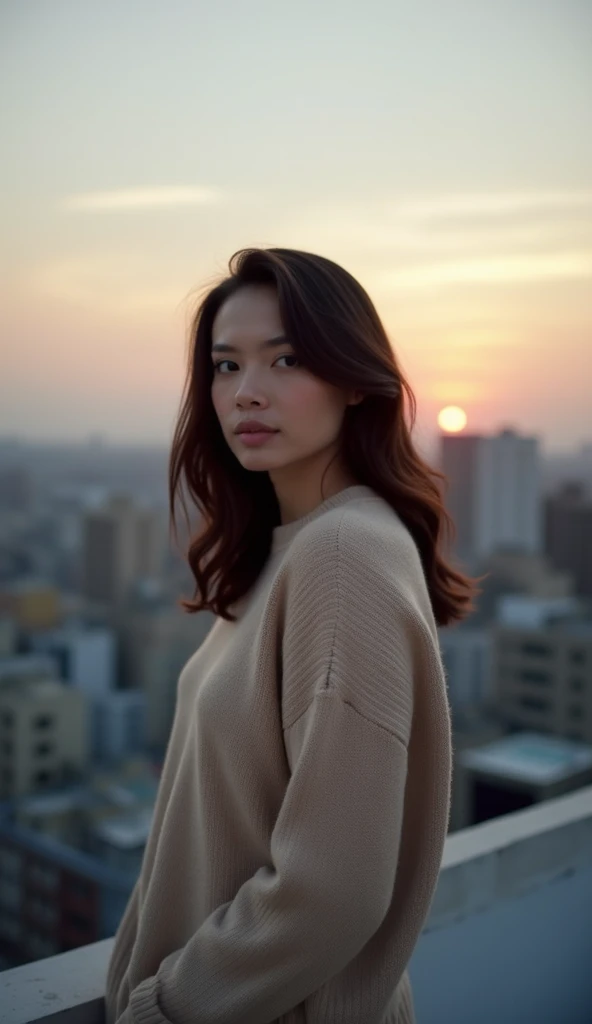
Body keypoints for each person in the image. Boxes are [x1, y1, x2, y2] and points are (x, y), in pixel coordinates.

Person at [104, 247, 486, 1024]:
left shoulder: (340, 554)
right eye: (225, 365)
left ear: (353, 379)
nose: (247, 392)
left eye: (286, 360)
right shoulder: (290, 548)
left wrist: (165, 1011)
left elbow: (334, 888)